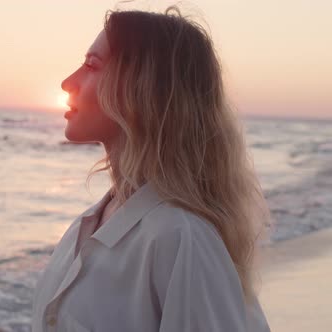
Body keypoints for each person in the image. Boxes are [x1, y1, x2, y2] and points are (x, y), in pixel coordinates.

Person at [32, 7, 271, 332]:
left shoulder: (181, 238)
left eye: (92, 65)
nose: (67, 82)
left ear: (143, 88)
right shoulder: (89, 225)